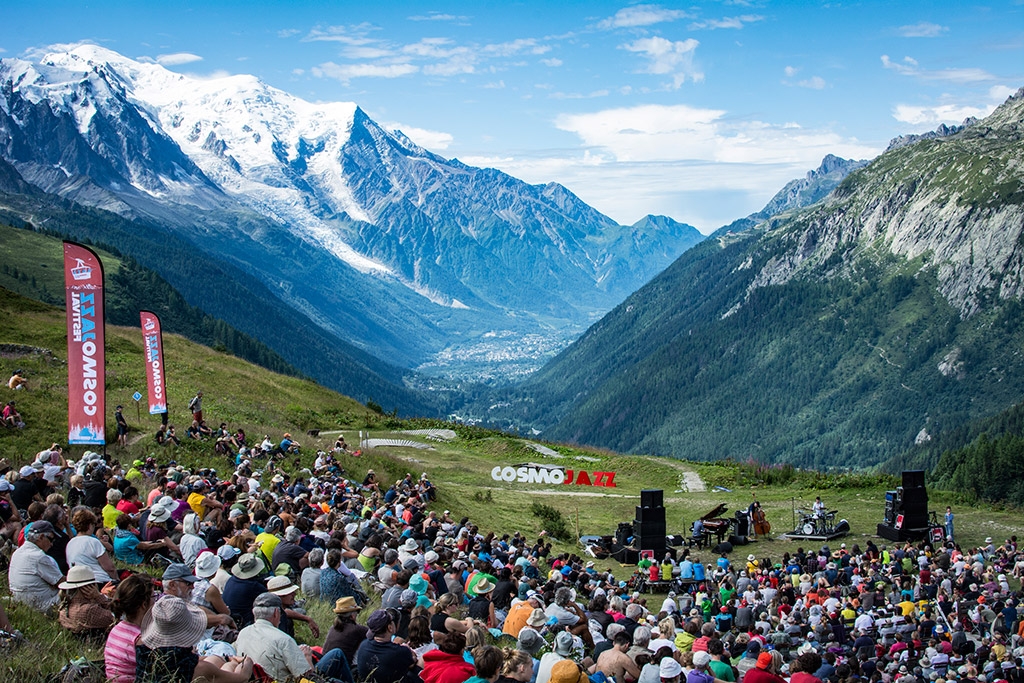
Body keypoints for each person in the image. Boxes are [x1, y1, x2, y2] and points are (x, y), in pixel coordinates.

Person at [235, 592, 352, 682]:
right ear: (276, 613)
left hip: (260, 679)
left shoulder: (242, 634)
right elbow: (306, 677)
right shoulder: (282, 639)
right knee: (337, 654)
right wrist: (306, 657)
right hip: (286, 680)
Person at [105, 574, 153, 683]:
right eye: (153, 597)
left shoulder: (117, 628)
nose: (156, 601)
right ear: (144, 604)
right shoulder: (140, 639)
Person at [8, 520, 63, 611]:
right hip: (41, 606)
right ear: (41, 537)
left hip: (20, 602)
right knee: (75, 590)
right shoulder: (39, 557)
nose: (52, 544)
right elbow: (61, 582)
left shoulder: (17, 552)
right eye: (51, 539)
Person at [355, 609, 420, 683]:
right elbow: (412, 662)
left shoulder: (363, 645)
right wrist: (408, 650)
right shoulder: (400, 652)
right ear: (390, 628)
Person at [57, 565, 115, 637]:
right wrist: (99, 597)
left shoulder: (65, 606)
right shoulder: (89, 610)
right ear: (88, 587)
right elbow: (119, 616)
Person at [66, 508, 120, 585]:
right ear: (89, 525)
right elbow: (109, 568)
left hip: (79, 582)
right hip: (99, 581)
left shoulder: (70, 543)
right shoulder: (93, 542)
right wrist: (117, 581)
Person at [324, 597, 369, 667]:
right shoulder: (357, 629)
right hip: (344, 669)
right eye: (357, 612)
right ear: (352, 616)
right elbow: (376, 635)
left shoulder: (333, 628)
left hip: (325, 665)